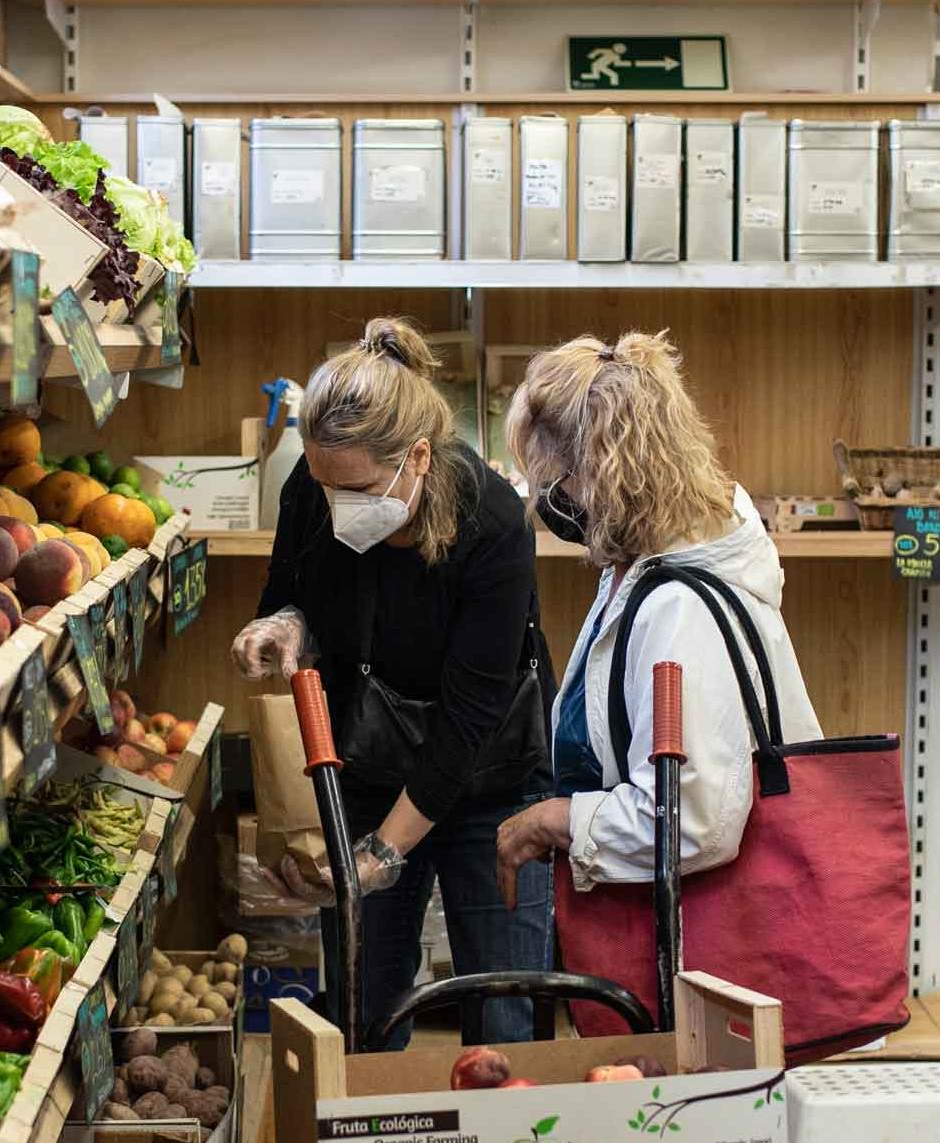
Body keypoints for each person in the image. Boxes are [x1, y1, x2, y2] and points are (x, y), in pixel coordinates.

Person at [231, 317, 556, 1048]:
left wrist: (381, 853)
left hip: (490, 780)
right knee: (363, 1006)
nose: (335, 504)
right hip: (368, 765)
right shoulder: (312, 489)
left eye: (356, 488)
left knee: (503, 1007)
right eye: (321, 483)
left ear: (415, 456)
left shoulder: (491, 519)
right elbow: (292, 593)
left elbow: (471, 718)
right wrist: (285, 625)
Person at [493, 330, 821, 912]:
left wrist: (557, 819)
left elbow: (690, 822)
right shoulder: (639, 573)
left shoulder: (678, 608)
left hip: (692, 938)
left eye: (554, 478)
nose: (547, 497)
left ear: (603, 474)